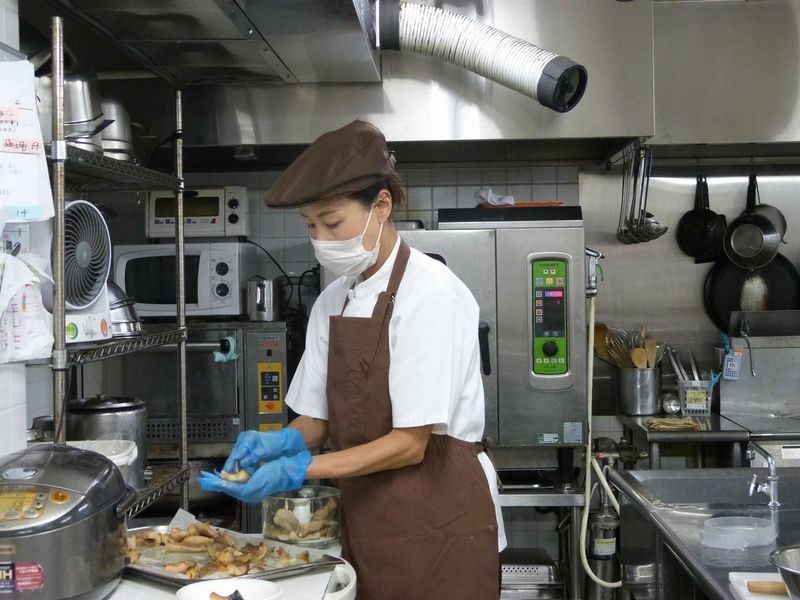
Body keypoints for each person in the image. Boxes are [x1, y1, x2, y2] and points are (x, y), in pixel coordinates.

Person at [199, 119, 506, 599]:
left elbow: (410, 444)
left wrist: (297, 471)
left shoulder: (430, 294)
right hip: (367, 518)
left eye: (332, 222)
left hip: (442, 523)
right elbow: (316, 421)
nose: (321, 238)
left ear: (381, 206)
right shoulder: (333, 300)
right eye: (310, 225)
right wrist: (275, 444)